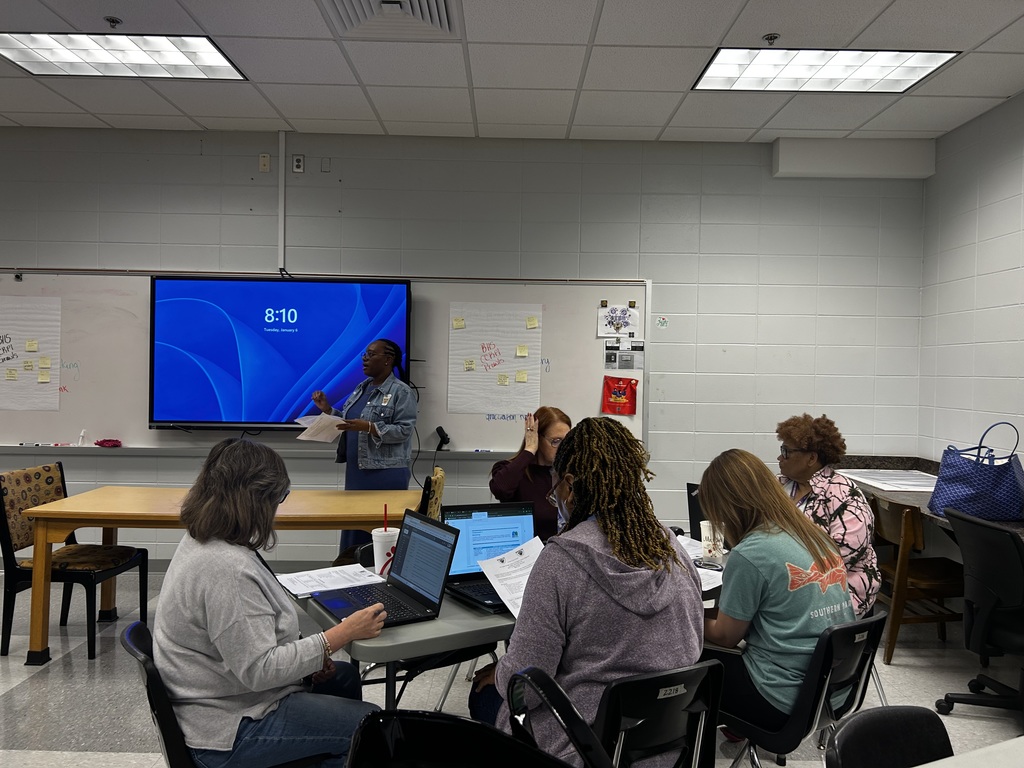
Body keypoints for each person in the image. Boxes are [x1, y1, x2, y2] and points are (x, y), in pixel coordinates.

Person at [471, 417, 705, 767]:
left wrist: (503, 671)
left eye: (554, 491)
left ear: (568, 485)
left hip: (585, 750)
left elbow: (528, 688)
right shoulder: (671, 547)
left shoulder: (561, 560)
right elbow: (694, 643)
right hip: (668, 745)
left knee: (486, 697)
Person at [152, 438, 386, 768]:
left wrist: (310, 661)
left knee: (344, 678)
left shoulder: (206, 539)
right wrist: (341, 634)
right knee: (373, 726)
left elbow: (251, 641)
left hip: (220, 693)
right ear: (255, 501)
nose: (277, 509)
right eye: (278, 499)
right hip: (227, 727)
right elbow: (259, 670)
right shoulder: (225, 569)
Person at [699, 449, 856, 731]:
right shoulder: (814, 535)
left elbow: (725, 637)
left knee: (686, 658)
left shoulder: (751, 553)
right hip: (835, 692)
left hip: (781, 700)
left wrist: (690, 618)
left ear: (726, 507)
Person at [312, 338, 417, 555]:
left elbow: (404, 430)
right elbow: (351, 423)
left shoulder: (401, 392)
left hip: (385, 474)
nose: (364, 359)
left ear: (388, 360)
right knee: (355, 532)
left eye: (371, 354)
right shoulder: (362, 388)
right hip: (357, 472)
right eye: (364, 354)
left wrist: (370, 427)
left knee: (383, 536)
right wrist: (329, 411)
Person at [775, 413, 880, 618]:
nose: (780, 458)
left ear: (811, 458)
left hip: (838, 595)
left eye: (786, 451)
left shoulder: (845, 496)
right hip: (791, 583)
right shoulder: (781, 486)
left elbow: (839, 560)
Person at [488, 406, 571, 541]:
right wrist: (530, 449)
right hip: (528, 554)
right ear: (537, 438)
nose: (563, 448)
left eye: (567, 441)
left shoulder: (569, 474)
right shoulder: (512, 470)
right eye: (556, 441)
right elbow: (500, 489)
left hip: (565, 552)